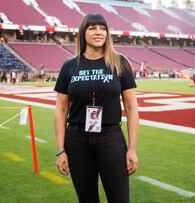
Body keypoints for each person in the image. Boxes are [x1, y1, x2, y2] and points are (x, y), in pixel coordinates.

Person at [54, 13, 139, 203]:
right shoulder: (69, 66)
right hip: (77, 140)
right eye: (92, 28)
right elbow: (60, 110)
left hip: (111, 138)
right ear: (83, 33)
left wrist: (132, 149)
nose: (98, 32)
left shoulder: (120, 62)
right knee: (87, 199)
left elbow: (132, 108)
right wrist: (60, 150)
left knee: (119, 199)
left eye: (102, 28)